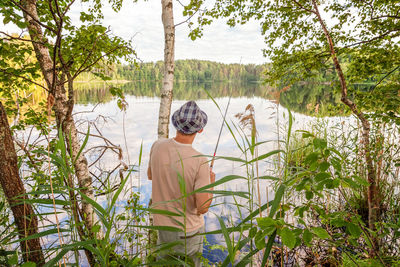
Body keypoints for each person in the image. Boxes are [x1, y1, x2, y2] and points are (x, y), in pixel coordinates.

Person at [147, 101, 216, 266]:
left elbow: (150, 175)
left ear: (175, 124)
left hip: (162, 226)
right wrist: (211, 184)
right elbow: (203, 208)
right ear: (200, 130)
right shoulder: (200, 161)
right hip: (188, 231)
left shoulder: (157, 146)